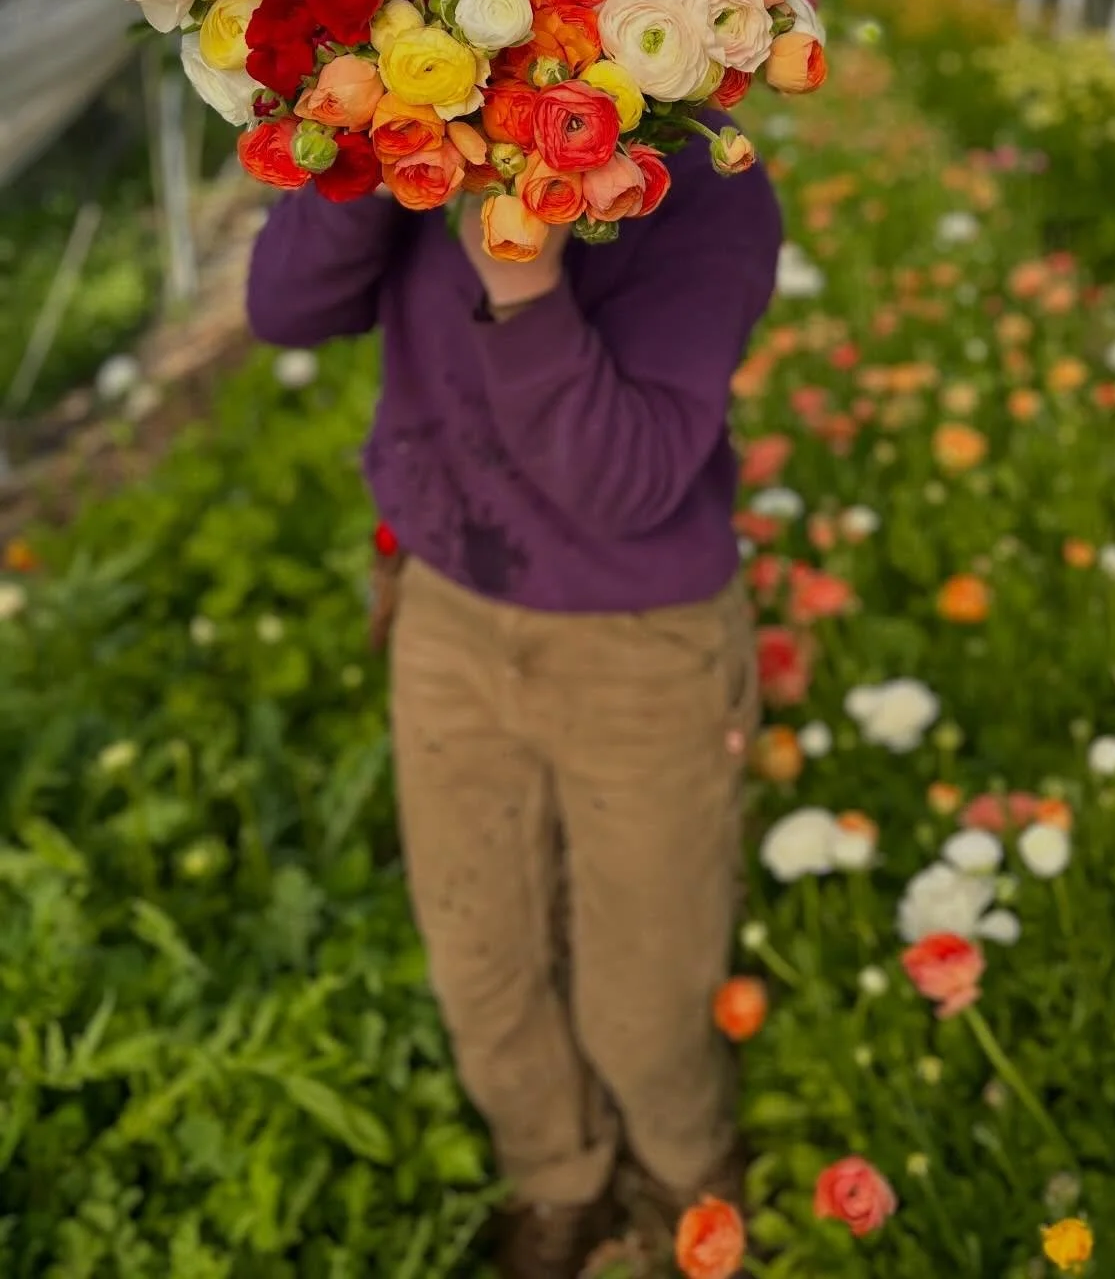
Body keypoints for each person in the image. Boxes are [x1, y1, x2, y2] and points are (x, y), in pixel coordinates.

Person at [246, 132, 782, 1279]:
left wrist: (524, 275)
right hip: (452, 613)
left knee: (645, 988)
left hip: (638, 650)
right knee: (479, 953)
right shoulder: (432, 130)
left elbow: (627, 482)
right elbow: (286, 305)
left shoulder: (703, 186)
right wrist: (368, 151)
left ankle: (685, 1167)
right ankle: (555, 1176)